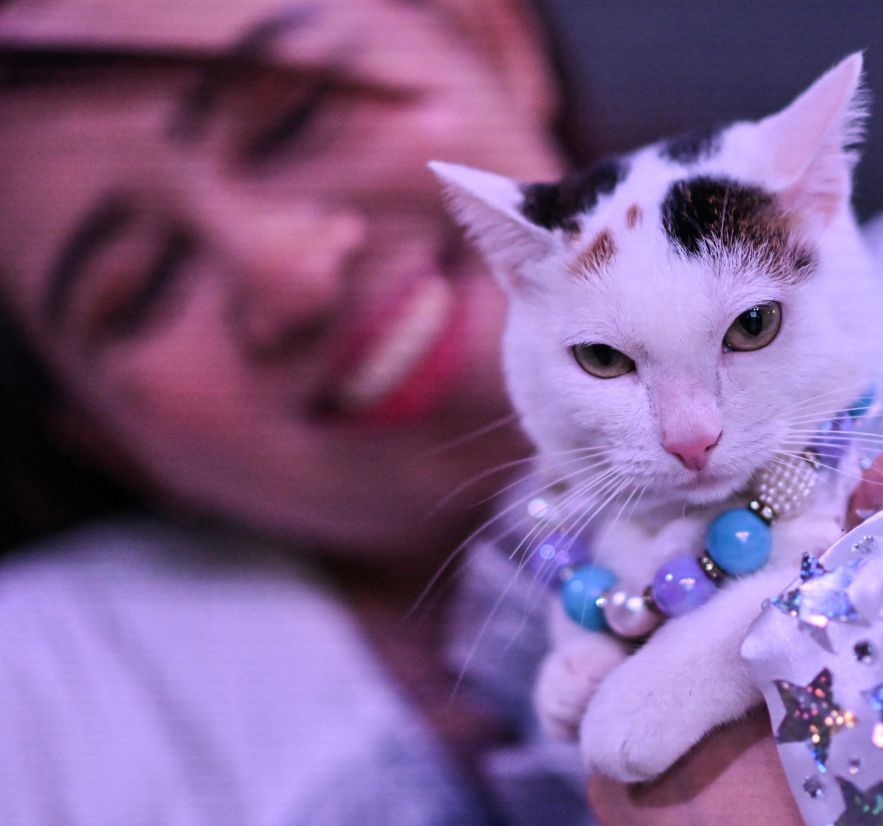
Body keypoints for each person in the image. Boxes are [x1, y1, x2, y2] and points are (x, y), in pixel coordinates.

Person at [0, 0, 569, 822]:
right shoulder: (41, 712)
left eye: (295, 122)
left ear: (491, 36)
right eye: (140, 288)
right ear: (103, 439)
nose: (290, 275)